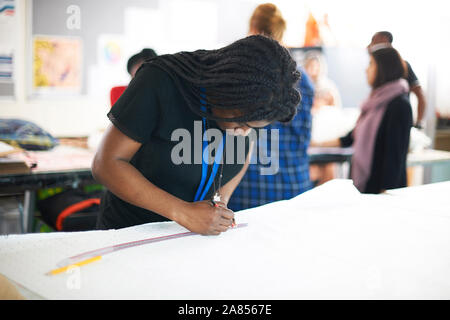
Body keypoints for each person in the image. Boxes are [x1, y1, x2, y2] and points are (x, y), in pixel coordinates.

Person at [92, 35, 301, 235]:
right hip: (131, 234)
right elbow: (106, 164)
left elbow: (243, 154)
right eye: (241, 123)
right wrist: (182, 212)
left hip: (190, 240)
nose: (245, 133)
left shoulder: (251, 111)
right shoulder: (159, 81)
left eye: (254, 128)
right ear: (226, 92)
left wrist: (221, 200)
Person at [227, 3, 315, 211]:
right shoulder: (302, 79)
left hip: (248, 188)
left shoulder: (237, 74)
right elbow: (304, 138)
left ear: (253, 30)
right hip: (294, 186)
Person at [311, 46, 412, 193]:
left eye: (371, 64)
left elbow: (394, 157)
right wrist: (316, 144)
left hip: (384, 191)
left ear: (384, 68)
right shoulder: (373, 104)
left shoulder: (399, 105)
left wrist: (386, 194)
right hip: (367, 187)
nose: (366, 70)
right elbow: (350, 138)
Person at [368, 31, 426, 128]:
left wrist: (419, 122)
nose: (370, 45)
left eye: (374, 41)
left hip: (398, 121)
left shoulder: (403, 66)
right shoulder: (376, 67)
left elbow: (419, 94)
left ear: (384, 40)